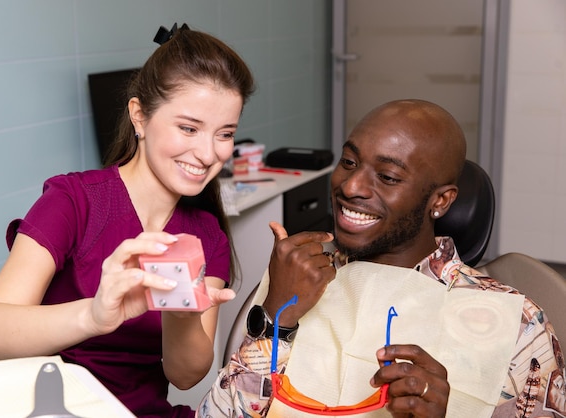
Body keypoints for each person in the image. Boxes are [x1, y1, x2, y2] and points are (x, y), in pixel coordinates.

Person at [197, 99, 565, 417]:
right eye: (348, 161)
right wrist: (278, 320)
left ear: (440, 201)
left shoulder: (516, 324)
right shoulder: (298, 276)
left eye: (387, 176)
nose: (351, 186)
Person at [0, 23, 255, 418]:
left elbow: (185, 376)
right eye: (188, 128)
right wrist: (94, 314)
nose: (208, 153)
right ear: (139, 116)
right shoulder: (74, 202)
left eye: (224, 133)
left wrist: (182, 315)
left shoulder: (206, 234)